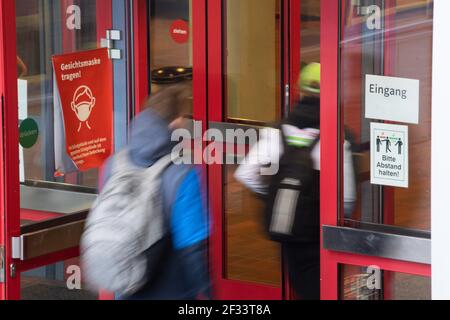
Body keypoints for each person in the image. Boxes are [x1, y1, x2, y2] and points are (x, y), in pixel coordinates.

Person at [235, 62, 357, 300]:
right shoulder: (336, 136)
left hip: (288, 226)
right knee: (324, 289)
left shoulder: (277, 131)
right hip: (320, 231)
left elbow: (245, 173)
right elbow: (348, 198)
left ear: (300, 91)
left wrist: (269, 193)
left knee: (301, 285)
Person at [101, 83, 211, 300]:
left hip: (127, 285)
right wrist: (209, 292)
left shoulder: (114, 164)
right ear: (175, 122)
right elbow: (193, 248)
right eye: (184, 116)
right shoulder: (181, 174)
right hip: (171, 291)